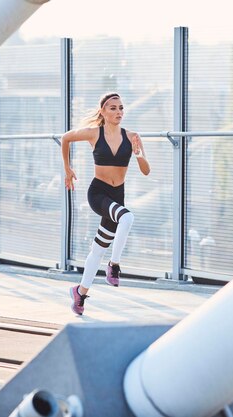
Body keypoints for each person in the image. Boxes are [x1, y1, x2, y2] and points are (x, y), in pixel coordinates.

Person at [61, 92, 150, 315]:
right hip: (98, 193)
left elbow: (147, 171)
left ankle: (80, 293)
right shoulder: (93, 134)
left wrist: (138, 155)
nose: (118, 112)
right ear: (103, 111)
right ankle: (115, 265)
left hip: (117, 195)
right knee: (127, 217)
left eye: (121, 108)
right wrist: (68, 169)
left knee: (98, 249)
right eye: (113, 108)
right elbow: (66, 138)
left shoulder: (132, 137)